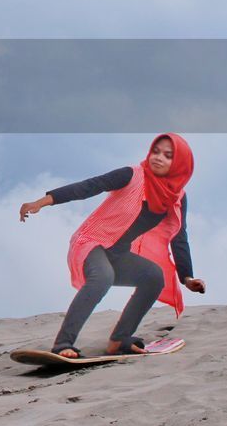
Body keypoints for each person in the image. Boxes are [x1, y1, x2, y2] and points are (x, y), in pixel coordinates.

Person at [18, 133, 206, 359]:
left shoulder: (176, 198)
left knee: (154, 276)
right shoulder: (132, 175)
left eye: (168, 156)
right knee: (103, 277)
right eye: (155, 151)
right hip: (90, 243)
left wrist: (187, 278)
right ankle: (62, 345)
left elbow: (179, 237)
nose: (158, 158)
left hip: (118, 254)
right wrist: (42, 202)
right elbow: (90, 186)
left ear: (180, 164)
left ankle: (119, 340)